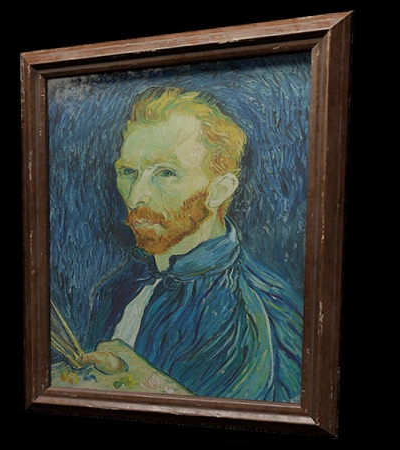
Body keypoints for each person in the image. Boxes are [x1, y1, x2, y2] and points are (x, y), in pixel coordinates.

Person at [82, 86, 303, 402]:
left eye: (166, 173)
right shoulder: (117, 287)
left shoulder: (253, 314)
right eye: (129, 171)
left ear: (219, 190)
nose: (135, 196)